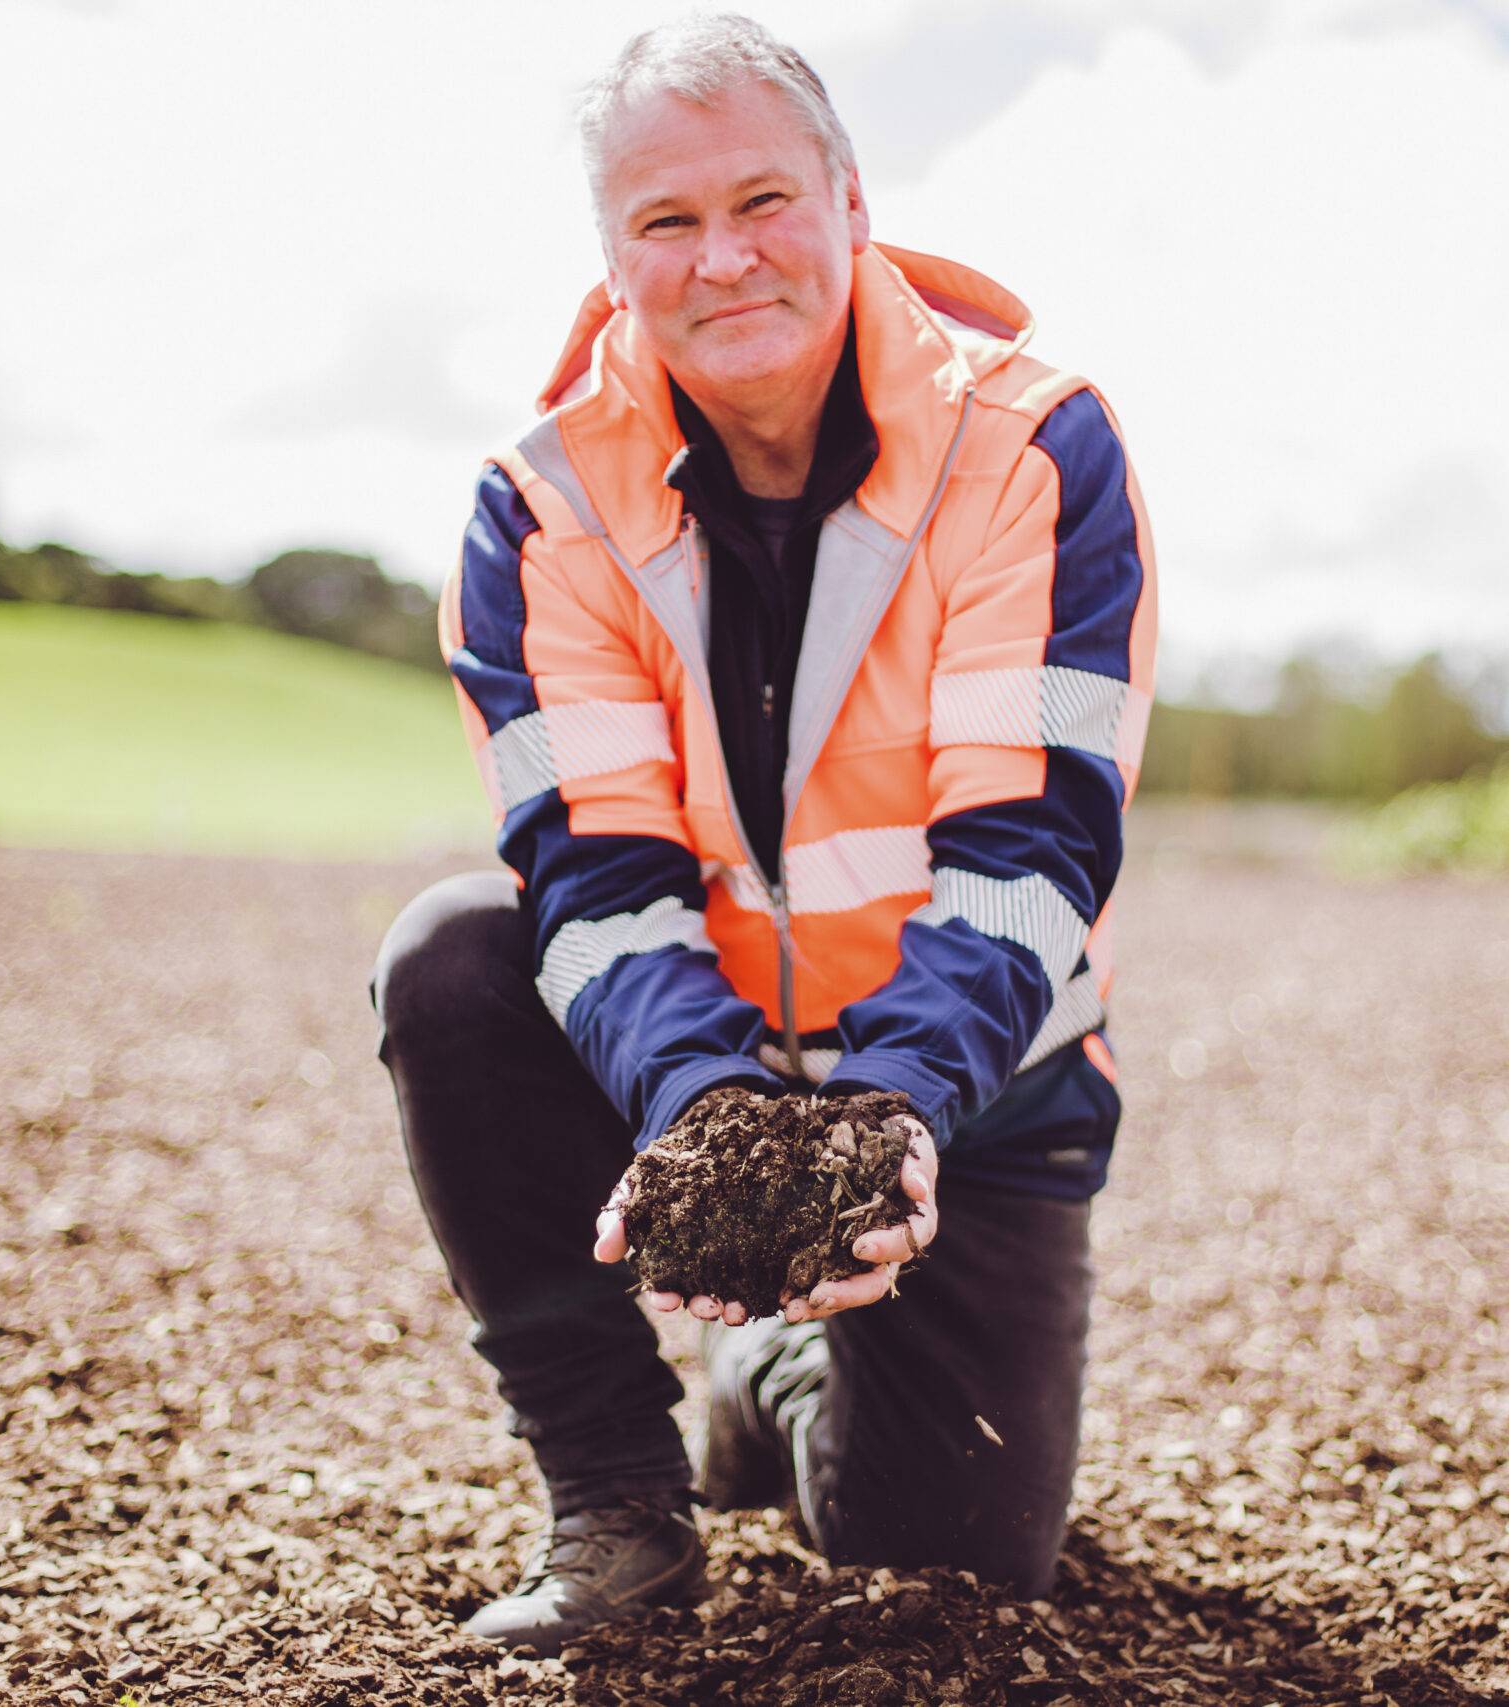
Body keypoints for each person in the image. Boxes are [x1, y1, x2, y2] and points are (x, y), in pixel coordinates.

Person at [370, 12, 1156, 1655]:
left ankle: (770, 1373)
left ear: (852, 203)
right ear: (611, 255)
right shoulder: (541, 503)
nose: (722, 260)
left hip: (972, 1078)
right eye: (664, 222)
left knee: (942, 1565)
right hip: (690, 1046)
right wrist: (702, 1111)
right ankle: (614, 1509)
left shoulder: (1036, 447)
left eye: (762, 203)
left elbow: (1027, 844)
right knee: (453, 959)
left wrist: (891, 1115)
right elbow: (598, 867)